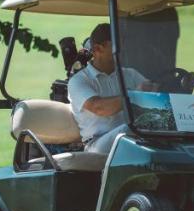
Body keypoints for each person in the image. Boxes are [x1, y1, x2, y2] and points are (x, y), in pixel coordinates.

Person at [67, 22, 157, 154]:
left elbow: (156, 96)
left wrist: (178, 84)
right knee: (132, 128)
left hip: (129, 136)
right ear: (98, 49)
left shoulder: (130, 74)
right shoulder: (79, 81)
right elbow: (99, 108)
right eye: (116, 46)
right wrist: (135, 95)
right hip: (97, 144)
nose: (122, 50)